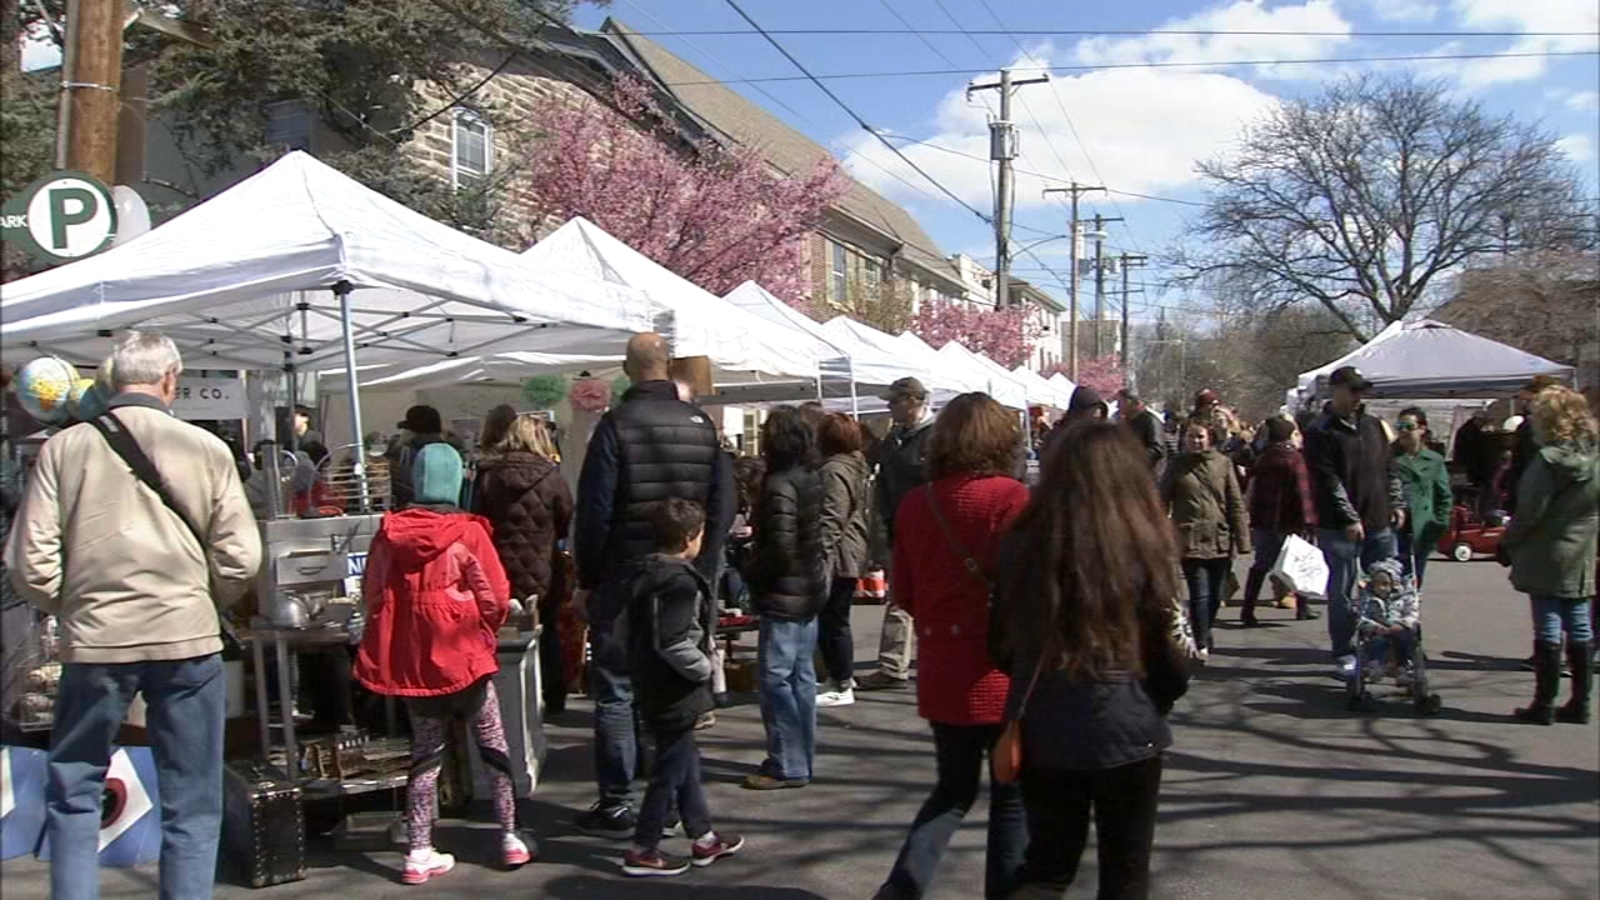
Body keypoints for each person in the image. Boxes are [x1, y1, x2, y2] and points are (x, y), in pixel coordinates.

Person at [5, 332, 263, 900]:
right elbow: (241, 558)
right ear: (170, 380)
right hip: (185, 637)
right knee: (192, 797)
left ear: (110, 381)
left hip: (97, 640)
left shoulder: (65, 449)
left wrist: (74, 604)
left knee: (75, 791)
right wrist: (203, 599)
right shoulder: (205, 448)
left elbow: (29, 562)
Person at [991, 420, 1192, 900]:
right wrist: (1157, 696)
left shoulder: (1024, 541)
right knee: (1126, 873)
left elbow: (999, 641)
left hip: (1046, 720)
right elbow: (1171, 653)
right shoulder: (1145, 542)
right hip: (1128, 719)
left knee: (1047, 867)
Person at [870, 393, 1031, 900]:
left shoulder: (917, 504)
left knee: (952, 790)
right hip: (1004, 668)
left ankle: (901, 889)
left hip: (943, 664)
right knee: (1012, 795)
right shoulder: (1013, 499)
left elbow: (905, 593)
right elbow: (1030, 589)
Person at [572, 333, 731, 838]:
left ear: (627, 368)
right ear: (668, 366)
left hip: (624, 572)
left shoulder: (616, 425)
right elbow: (724, 502)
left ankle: (618, 801)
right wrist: (705, 561)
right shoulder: (700, 426)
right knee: (669, 689)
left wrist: (588, 577)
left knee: (617, 689)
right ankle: (667, 802)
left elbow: (594, 510)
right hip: (683, 572)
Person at [352, 443, 528, 882]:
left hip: (415, 662)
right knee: (493, 746)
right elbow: (494, 596)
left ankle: (418, 850)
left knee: (426, 753)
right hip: (466, 657)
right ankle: (510, 836)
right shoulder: (468, 532)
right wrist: (487, 628)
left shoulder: (388, 534)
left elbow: (373, 593)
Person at [619, 499, 745, 876]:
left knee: (683, 758)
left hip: (651, 679)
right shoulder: (678, 581)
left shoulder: (643, 572)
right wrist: (704, 668)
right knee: (669, 769)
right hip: (674, 686)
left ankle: (703, 835)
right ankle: (644, 846)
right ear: (690, 537)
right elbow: (673, 640)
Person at [1502, 387, 1597, 726]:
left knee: (1548, 622)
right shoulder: (1596, 457)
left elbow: (1530, 510)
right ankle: (1580, 702)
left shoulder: (1548, 460)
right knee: (1580, 621)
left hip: (1546, 547)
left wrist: (1508, 541)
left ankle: (1543, 704)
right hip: (1583, 546)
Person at [744, 406, 827, 790]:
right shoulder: (809, 477)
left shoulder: (780, 484)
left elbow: (780, 546)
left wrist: (751, 568)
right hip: (807, 586)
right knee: (800, 677)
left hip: (784, 590)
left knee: (777, 678)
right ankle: (799, 756)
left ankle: (788, 761)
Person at [1304, 366, 1406, 673]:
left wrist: (1396, 502)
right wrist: (1349, 517)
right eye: (1352, 390)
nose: (1358, 397)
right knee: (1344, 590)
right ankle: (1344, 649)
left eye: (1361, 391)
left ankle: (1380, 649)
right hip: (1339, 526)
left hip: (1379, 519)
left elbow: (1389, 467)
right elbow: (1327, 480)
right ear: (1336, 390)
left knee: (1385, 585)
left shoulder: (1373, 425)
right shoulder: (1320, 430)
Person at [474, 413, 575, 715]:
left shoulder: (489, 476)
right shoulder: (552, 478)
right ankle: (554, 695)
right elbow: (566, 520)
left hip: (499, 566)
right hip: (544, 565)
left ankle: (508, 697)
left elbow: (478, 520)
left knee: (502, 633)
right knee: (548, 630)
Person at [858, 377, 935, 693]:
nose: (890, 408)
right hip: (898, 528)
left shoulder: (934, 438)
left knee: (930, 600)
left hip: (930, 529)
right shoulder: (895, 439)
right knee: (899, 597)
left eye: (895, 402)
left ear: (914, 401)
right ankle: (893, 664)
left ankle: (928, 661)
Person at [1161, 418, 1250, 661]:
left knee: (1215, 595)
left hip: (1220, 538)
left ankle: (1203, 628)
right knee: (1199, 593)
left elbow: (1235, 502)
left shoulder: (1223, 463)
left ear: (1210, 438)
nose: (1196, 441)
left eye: (1200, 436)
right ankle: (1201, 643)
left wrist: (1243, 539)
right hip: (1189, 539)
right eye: (1191, 437)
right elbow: (1161, 500)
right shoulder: (1177, 465)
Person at [816, 413, 871, 709]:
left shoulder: (835, 470)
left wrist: (820, 550)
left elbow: (833, 515)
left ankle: (842, 681)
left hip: (840, 553)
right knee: (834, 617)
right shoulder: (853, 465)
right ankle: (837, 677)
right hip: (849, 549)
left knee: (834, 619)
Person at [1243, 416, 1318, 626]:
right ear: (1288, 435)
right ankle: (1303, 608)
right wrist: (1309, 521)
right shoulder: (1294, 458)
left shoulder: (1263, 458)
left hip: (1264, 519)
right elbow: (1303, 492)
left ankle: (1248, 609)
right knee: (1298, 562)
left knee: (1261, 564)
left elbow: (1252, 488)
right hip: (1290, 521)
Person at [1392, 408, 1453, 589]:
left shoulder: (1434, 460)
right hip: (1395, 523)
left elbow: (1444, 495)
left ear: (1422, 429)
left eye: (1409, 427)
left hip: (1422, 524)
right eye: (1399, 427)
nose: (1403, 431)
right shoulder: (1387, 455)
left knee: (1416, 575)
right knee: (1393, 574)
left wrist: (1439, 522)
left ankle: (1413, 601)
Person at [1354, 559, 1420, 683]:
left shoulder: (1404, 597)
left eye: (1385, 584)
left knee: (1404, 638)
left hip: (1399, 627)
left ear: (1394, 584)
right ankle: (1376, 666)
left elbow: (1412, 613)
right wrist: (1374, 626)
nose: (1381, 588)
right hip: (1378, 629)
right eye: (1377, 584)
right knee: (1376, 641)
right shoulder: (1368, 598)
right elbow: (1362, 616)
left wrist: (1403, 623)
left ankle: (1402, 667)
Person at [1507, 375, 1563, 516]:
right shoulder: (1574, 424)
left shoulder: (1533, 426)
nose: (1525, 405)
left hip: (1540, 494)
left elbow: (1525, 463)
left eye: (1528, 400)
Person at [389, 404, 453, 508]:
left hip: (415, 511)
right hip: (449, 512)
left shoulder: (408, 453)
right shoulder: (451, 452)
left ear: (413, 431)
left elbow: (402, 487)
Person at [1118, 390, 1166, 472]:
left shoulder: (1151, 421)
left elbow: (1157, 449)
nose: (1118, 406)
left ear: (1130, 402)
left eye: (1120, 402)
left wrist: (1134, 458)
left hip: (1149, 472)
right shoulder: (1125, 422)